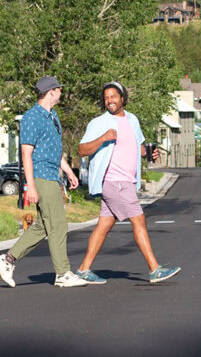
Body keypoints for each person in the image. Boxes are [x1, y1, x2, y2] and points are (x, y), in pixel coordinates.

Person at [74, 82, 180, 284]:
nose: (109, 101)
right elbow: (82, 149)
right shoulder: (99, 123)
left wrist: (151, 153)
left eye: (113, 96)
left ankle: (84, 269)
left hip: (127, 181)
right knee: (138, 219)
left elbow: (139, 148)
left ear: (123, 98)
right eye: (106, 98)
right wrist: (104, 138)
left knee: (104, 225)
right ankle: (154, 269)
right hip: (114, 180)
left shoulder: (133, 119)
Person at [0, 76, 88, 288]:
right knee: (58, 224)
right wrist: (31, 186)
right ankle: (62, 273)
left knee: (44, 225)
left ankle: (7, 260)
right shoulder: (31, 117)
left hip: (53, 175)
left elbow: (54, 150)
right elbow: (26, 154)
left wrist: (68, 172)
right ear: (51, 91)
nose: (61, 93)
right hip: (41, 176)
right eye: (59, 89)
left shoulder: (52, 116)